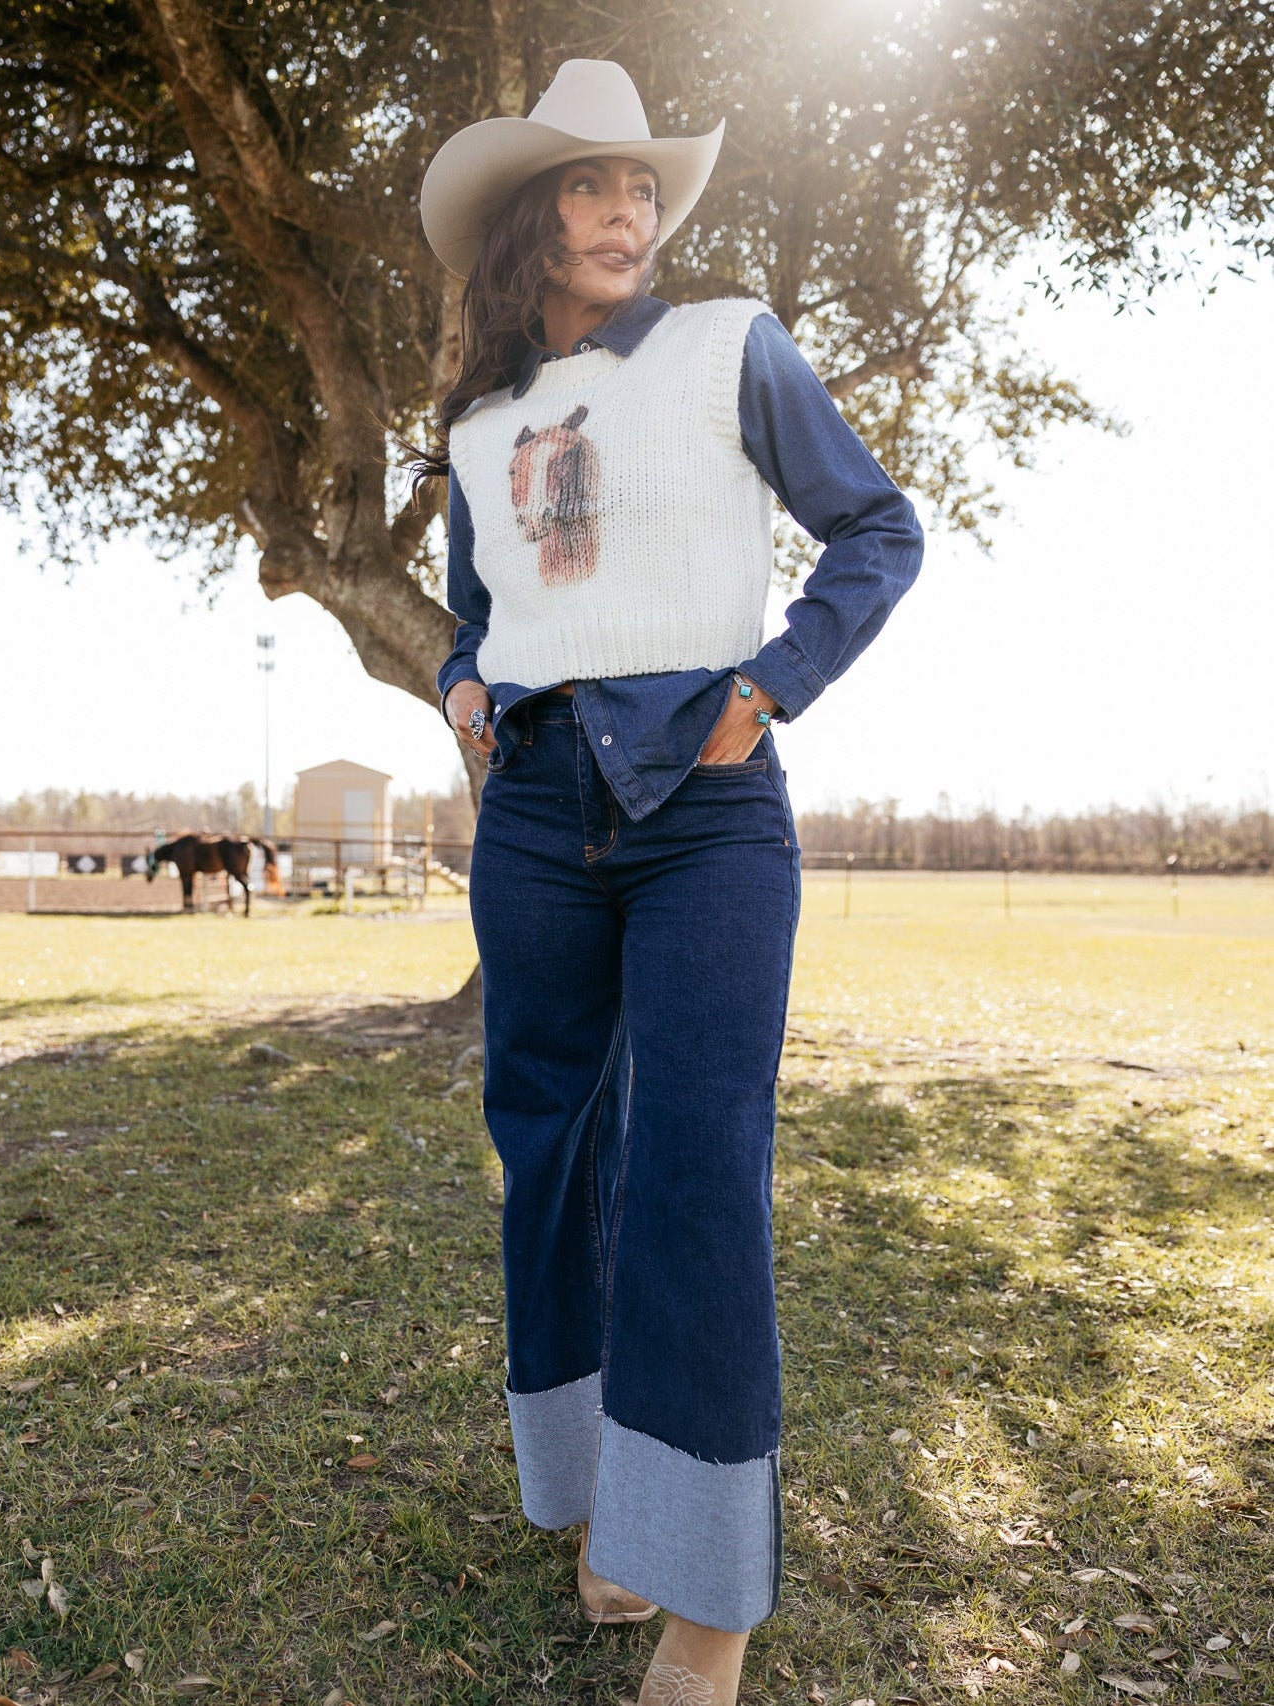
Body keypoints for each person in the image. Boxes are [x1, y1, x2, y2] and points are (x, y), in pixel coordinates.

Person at [415, 58, 924, 1706]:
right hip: (536, 810)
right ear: (525, 222)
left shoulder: (731, 346)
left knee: (696, 1166)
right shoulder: (477, 425)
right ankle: (605, 1508)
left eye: (639, 186)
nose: (623, 210)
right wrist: (463, 687)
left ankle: (711, 1599)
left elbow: (876, 529)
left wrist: (769, 685)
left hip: (705, 806)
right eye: (586, 186)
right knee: (552, 1148)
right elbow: (472, 613)